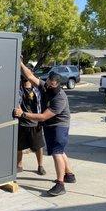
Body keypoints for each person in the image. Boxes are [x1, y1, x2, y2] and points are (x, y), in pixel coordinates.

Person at [14, 60, 76, 196]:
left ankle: (60, 184)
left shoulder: (59, 98)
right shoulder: (45, 86)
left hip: (59, 126)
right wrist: (20, 63)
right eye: (48, 84)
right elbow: (30, 76)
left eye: (52, 86)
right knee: (60, 150)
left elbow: (42, 117)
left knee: (57, 153)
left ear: (58, 85)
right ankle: (69, 174)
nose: (49, 87)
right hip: (50, 126)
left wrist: (22, 114)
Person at [16, 75, 46, 175]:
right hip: (21, 122)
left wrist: (41, 120)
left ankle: (40, 166)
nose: (25, 78)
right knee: (19, 146)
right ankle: (19, 165)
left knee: (38, 146)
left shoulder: (37, 90)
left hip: (35, 122)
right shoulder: (18, 88)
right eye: (23, 76)